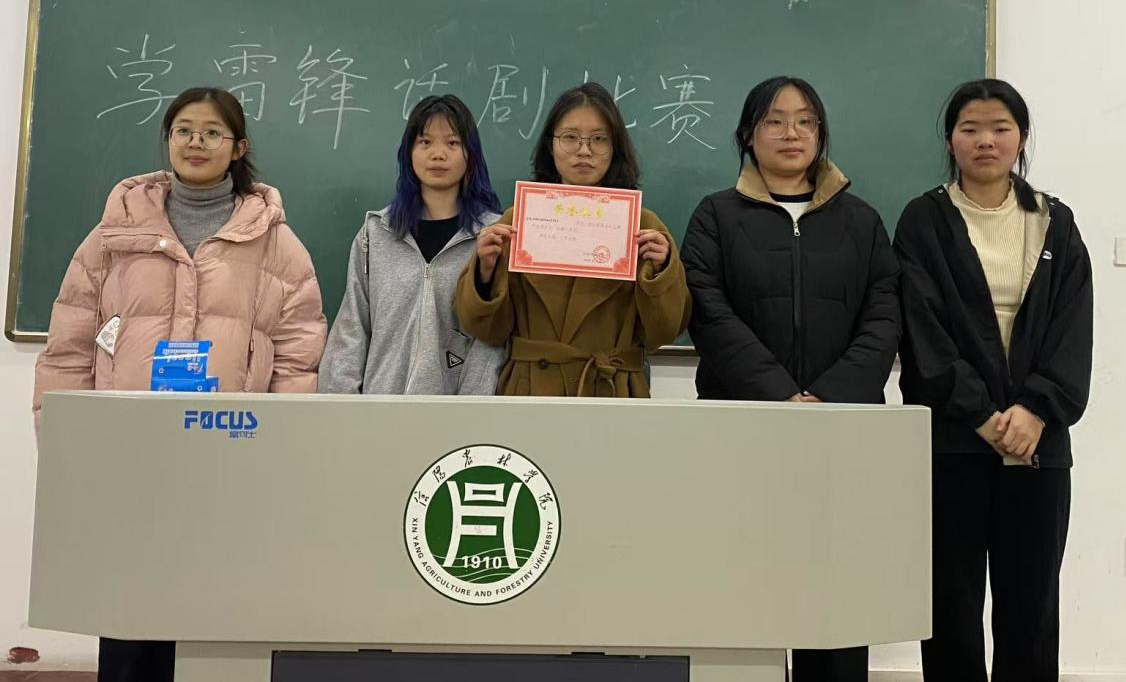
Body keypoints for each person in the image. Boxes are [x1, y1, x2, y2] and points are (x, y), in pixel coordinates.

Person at [33, 86, 326, 682]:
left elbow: (299, 356)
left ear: (238, 147)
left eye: (213, 132)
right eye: (184, 130)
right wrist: (64, 438)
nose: (196, 142)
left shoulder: (276, 243)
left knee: (215, 622)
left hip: (231, 455)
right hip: (131, 455)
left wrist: (282, 449)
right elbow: (67, 347)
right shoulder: (112, 236)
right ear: (167, 139)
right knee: (128, 614)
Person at [681, 75, 899, 682]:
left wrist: (826, 397)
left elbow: (885, 315)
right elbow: (708, 311)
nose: (790, 133)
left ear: (821, 133)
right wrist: (780, 395)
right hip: (742, 428)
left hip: (842, 433)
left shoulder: (861, 220)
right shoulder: (715, 216)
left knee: (836, 594)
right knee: (742, 587)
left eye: (805, 121)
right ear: (748, 135)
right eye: (774, 121)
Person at [893, 78, 1093, 681]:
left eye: (1000, 128)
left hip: (1037, 445)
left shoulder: (1055, 222)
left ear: (1021, 138)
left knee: (1031, 610)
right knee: (950, 609)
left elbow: (1071, 326)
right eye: (970, 129)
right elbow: (921, 330)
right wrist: (980, 414)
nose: (986, 140)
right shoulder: (924, 220)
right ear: (950, 140)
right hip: (954, 443)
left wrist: (1036, 408)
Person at [455, 82, 690, 396]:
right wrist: (484, 273)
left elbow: (663, 333)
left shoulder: (643, 227)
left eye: (599, 139)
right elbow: (488, 331)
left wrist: (661, 273)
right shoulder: (519, 222)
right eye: (569, 137)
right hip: (530, 390)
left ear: (615, 148)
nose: (584, 150)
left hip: (611, 391)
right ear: (550, 145)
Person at [320, 94, 505, 394]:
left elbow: (491, 341)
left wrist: (472, 410)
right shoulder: (376, 234)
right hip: (379, 409)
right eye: (425, 142)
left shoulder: (492, 239)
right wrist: (342, 407)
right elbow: (352, 327)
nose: (438, 154)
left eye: (452, 143)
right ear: (409, 153)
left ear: (470, 155)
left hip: (458, 413)